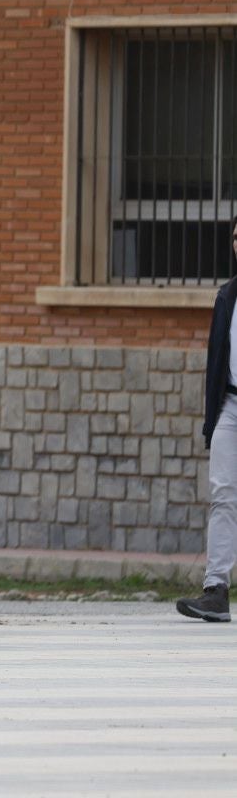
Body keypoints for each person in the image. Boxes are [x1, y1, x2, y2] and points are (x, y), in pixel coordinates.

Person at [175, 217, 237, 622]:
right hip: (230, 407)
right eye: (236, 236)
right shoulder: (227, 295)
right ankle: (216, 590)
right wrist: (210, 421)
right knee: (223, 494)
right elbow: (216, 363)